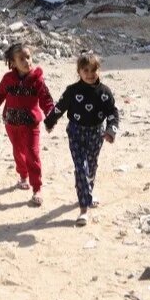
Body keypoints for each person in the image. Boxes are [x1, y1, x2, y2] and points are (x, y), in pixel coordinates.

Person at [44, 52, 118, 226]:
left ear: (99, 70)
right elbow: (60, 107)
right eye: (86, 70)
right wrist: (49, 121)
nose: (90, 74)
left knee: (91, 167)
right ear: (79, 71)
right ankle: (83, 208)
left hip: (96, 134)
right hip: (76, 133)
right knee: (80, 168)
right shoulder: (72, 91)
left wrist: (111, 130)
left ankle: (87, 190)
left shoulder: (104, 92)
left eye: (94, 70)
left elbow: (112, 112)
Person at [0, 43, 54, 207]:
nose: (26, 61)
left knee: (32, 153)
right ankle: (23, 175)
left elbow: (47, 100)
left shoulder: (37, 80)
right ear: (13, 63)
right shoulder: (8, 79)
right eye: (21, 59)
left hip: (31, 124)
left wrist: (51, 117)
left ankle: (37, 188)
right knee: (18, 151)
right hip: (11, 122)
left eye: (28, 57)